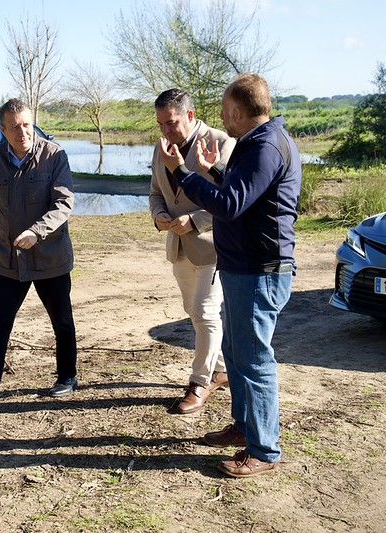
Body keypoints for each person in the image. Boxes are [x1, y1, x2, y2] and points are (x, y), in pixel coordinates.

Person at [160, 73, 302, 477]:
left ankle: (264, 450)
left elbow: (230, 205)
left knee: (254, 360)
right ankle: (244, 428)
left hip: (260, 270)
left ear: (238, 111)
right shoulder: (257, 144)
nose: (222, 117)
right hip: (243, 267)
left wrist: (184, 172)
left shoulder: (265, 147)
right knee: (237, 355)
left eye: (225, 110)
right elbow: (246, 194)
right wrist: (215, 172)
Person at [0, 98, 78, 411]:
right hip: (8, 260)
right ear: (2, 130)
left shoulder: (55, 155)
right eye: (14, 127)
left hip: (50, 257)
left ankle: (67, 377)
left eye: (27, 124)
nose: (23, 132)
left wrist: (37, 232)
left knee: (62, 321)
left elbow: (63, 204)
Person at [149, 88, 235, 414]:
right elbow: (156, 192)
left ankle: (200, 383)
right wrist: (158, 214)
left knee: (204, 312)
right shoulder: (161, 147)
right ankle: (223, 368)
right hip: (178, 245)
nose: (166, 130)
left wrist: (196, 220)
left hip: (215, 247)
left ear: (190, 115)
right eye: (160, 124)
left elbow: (233, 200)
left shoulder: (221, 143)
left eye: (171, 123)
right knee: (193, 310)